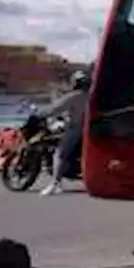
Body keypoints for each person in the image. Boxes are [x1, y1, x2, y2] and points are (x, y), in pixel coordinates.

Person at [40, 68, 90, 196]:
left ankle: (55, 184)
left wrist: (40, 114)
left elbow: (56, 108)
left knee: (59, 154)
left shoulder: (74, 96)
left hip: (76, 129)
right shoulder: (91, 95)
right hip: (88, 129)